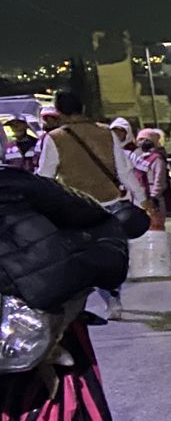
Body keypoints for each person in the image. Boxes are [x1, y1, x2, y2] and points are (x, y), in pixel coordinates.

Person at [35, 88, 137, 319]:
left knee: (81, 256)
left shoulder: (54, 139)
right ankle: (113, 299)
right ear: (83, 108)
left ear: (59, 112)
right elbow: (124, 170)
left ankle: (86, 302)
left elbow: (45, 177)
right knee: (111, 255)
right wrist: (143, 197)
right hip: (110, 204)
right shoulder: (106, 133)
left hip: (75, 207)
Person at [131, 129, 171, 230]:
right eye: (140, 139)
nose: (142, 142)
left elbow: (159, 180)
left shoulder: (157, 159)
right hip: (138, 199)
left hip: (153, 199)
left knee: (156, 228)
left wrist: (153, 198)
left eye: (146, 140)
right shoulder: (135, 157)